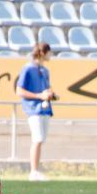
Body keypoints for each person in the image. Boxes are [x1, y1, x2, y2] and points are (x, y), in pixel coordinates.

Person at [16, 43, 56, 182]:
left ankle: (36, 170)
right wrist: (39, 96)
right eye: (49, 52)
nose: (51, 55)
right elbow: (19, 91)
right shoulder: (28, 68)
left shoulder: (45, 71)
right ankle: (33, 171)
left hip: (44, 109)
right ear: (43, 52)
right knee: (37, 139)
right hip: (33, 109)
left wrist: (50, 94)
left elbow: (46, 89)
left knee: (41, 139)